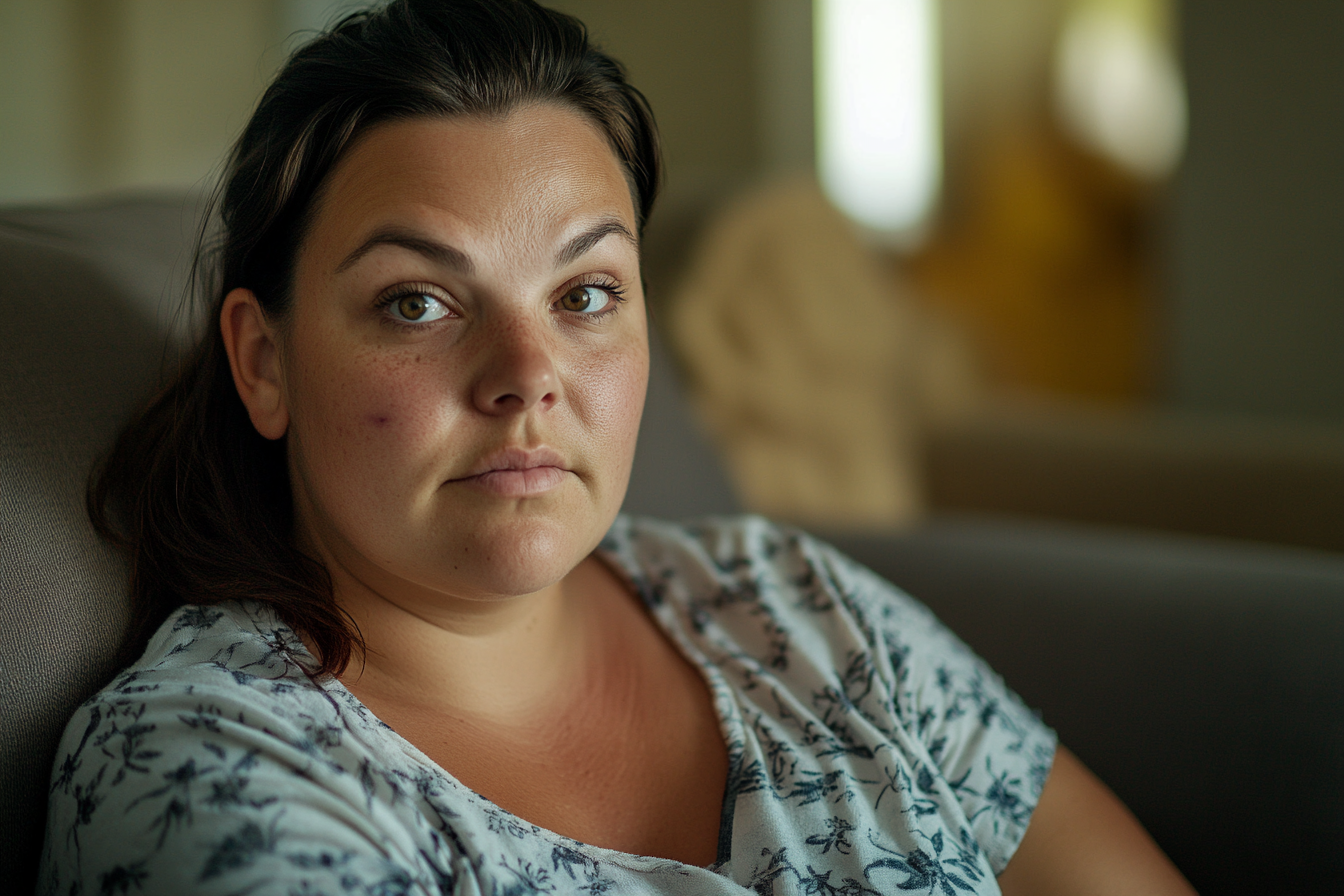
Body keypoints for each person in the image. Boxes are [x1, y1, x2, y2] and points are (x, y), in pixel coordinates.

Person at [40, 1, 1195, 893]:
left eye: (586, 292)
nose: (527, 374)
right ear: (264, 362)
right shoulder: (207, 768)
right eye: (417, 303)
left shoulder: (787, 599)